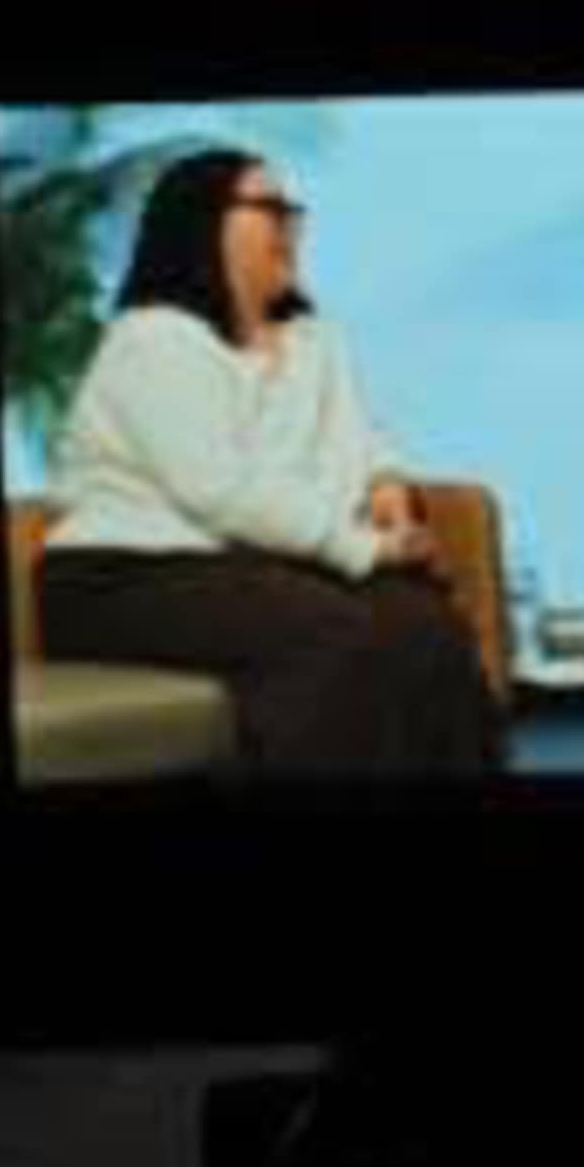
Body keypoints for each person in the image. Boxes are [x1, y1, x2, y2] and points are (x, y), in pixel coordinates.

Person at [30, 147, 502, 778]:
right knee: (332, 634)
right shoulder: (153, 337)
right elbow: (218, 489)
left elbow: (362, 436)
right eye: (269, 209)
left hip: (248, 569)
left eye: (293, 211)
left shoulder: (314, 341)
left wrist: (384, 482)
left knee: (426, 629)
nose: (290, 226)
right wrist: (364, 550)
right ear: (202, 222)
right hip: (121, 578)